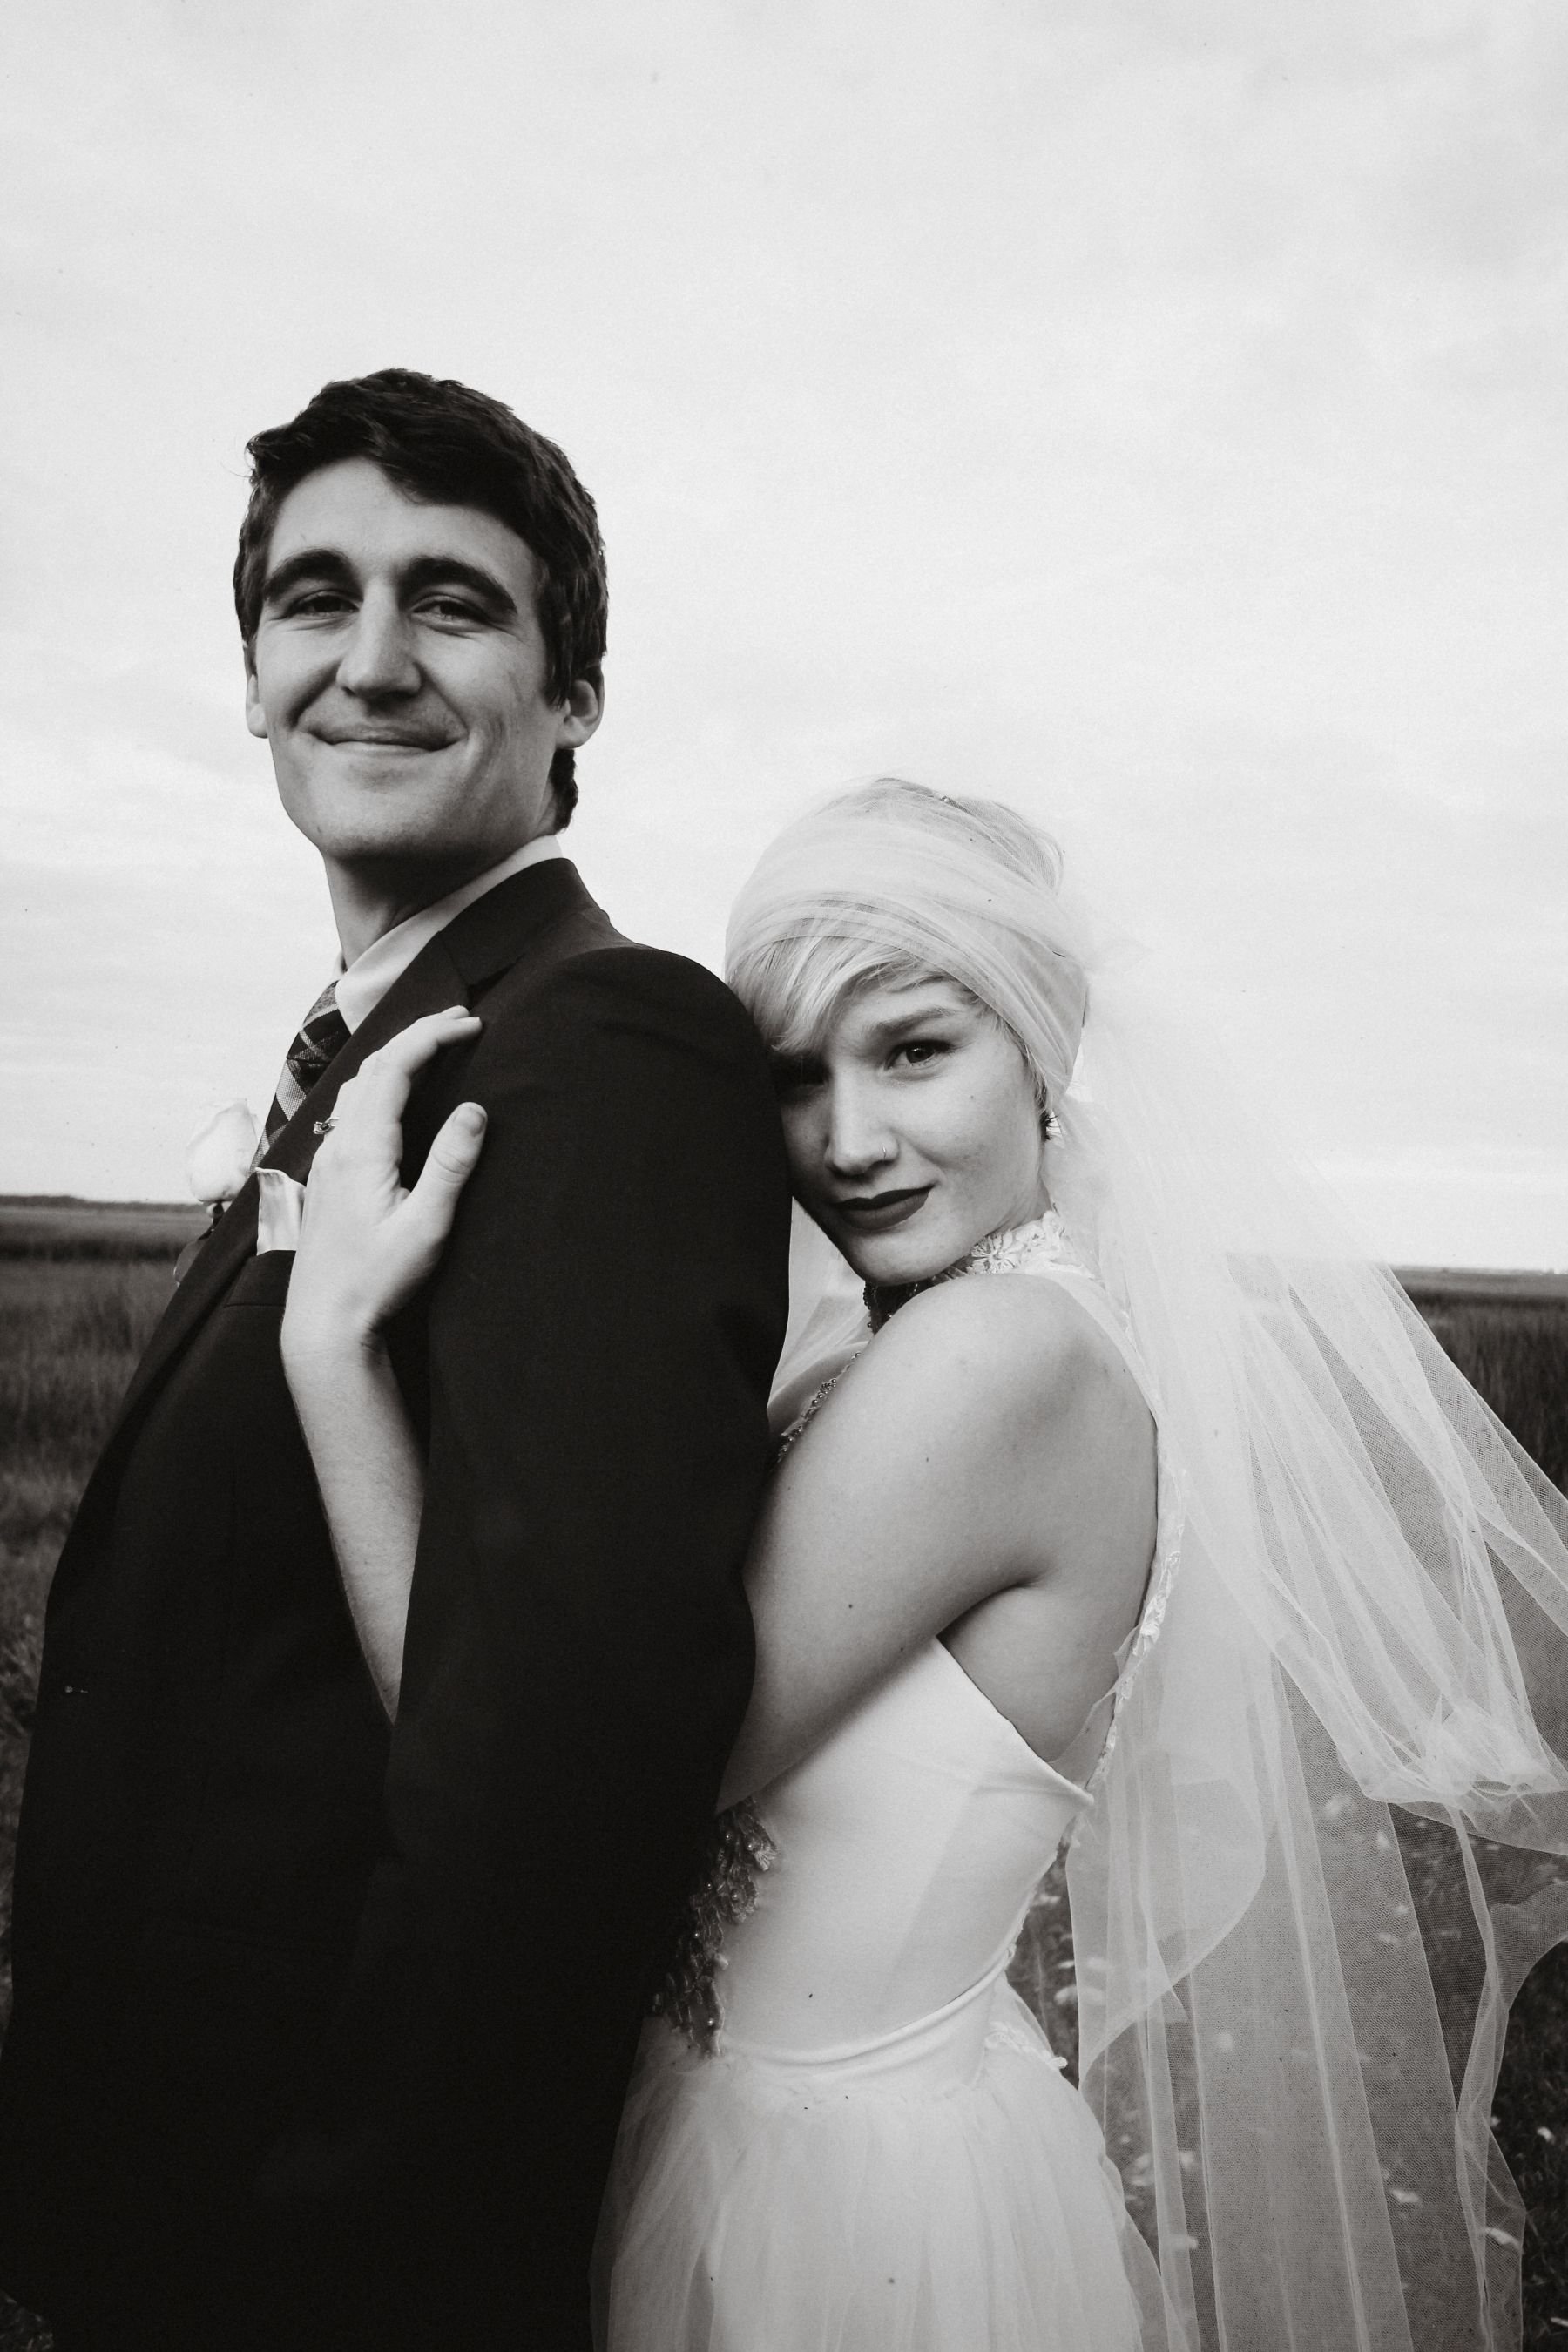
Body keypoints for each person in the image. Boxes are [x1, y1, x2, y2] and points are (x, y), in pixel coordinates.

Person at [284, 776, 1568, 2352]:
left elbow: (557, 1780)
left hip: (819, 2213)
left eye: (912, 1049)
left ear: (1045, 1055)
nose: (846, 1138)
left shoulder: (999, 1359)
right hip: (808, 2136)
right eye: (794, 1075)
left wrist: (335, 1349)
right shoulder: (977, 1332)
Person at [0, 369, 791, 2350]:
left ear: (576, 693)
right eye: (311, 599)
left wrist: (342, 2252)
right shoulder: (374, 1042)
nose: (368, 661)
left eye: (450, 602)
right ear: (253, 674)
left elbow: (552, 1798)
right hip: (156, 2177)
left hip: (311, 2248)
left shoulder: (610, 1050)